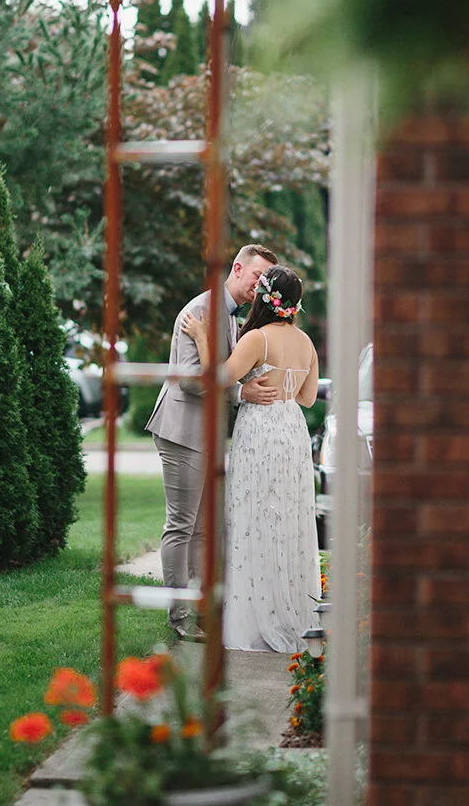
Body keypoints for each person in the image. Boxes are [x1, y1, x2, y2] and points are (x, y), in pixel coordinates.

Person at [182, 264, 321, 653]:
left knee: (253, 520)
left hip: (260, 432)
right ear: (293, 305)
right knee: (286, 519)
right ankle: (289, 612)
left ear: (264, 298)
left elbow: (218, 379)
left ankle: (257, 623)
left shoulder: (257, 338)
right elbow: (308, 399)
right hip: (292, 431)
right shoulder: (306, 343)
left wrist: (202, 338)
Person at [145, 244, 279, 641]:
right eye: (258, 278)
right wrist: (240, 394)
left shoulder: (231, 316)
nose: (261, 286)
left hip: (205, 432)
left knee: (205, 529)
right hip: (182, 430)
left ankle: (202, 615)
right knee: (182, 526)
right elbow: (188, 380)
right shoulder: (201, 311)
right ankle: (178, 619)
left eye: (266, 281)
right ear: (238, 269)